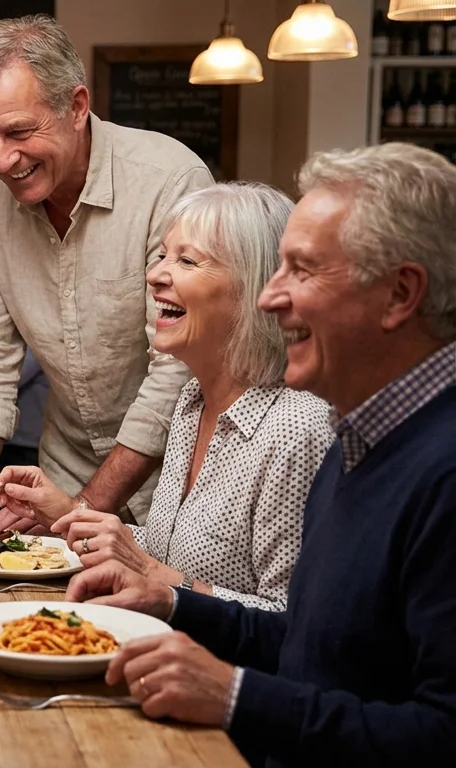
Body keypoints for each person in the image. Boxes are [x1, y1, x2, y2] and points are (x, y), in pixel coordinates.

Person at [70, 143, 456, 765]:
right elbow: (305, 642)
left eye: (301, 270)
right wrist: (170, 600)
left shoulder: (437, 468)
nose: (271, 298)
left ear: (399, 294)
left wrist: (234, 697)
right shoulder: (361, 436)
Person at [0, 183, 334, 611]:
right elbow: (166, 555)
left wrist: (150, 573)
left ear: (256, 289)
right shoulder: (193, 401)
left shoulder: (297, 428)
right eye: (163, 255)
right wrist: (68, 514)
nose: (155, 274)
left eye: (187, 260)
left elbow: (290, 623)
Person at [0, 14, 210, 533]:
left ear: (77, 107)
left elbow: (177, 368)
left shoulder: (169, 182)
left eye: (19, 131)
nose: (2, 159)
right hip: (62, 470)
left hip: (174, 484)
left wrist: (83, 510)